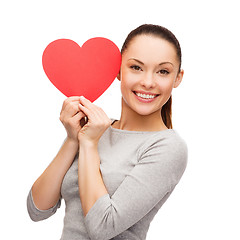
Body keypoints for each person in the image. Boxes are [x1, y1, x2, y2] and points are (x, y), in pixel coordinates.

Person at [27, 24, 188, 240]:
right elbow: (37, 210)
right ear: (118, 70)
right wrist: (73, 139)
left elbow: (102, 227)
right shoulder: (95, 128)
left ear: (177, 78)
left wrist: (89, 144)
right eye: (136, 67)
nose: (148, 82)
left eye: (163, 71)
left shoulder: (168, 147)